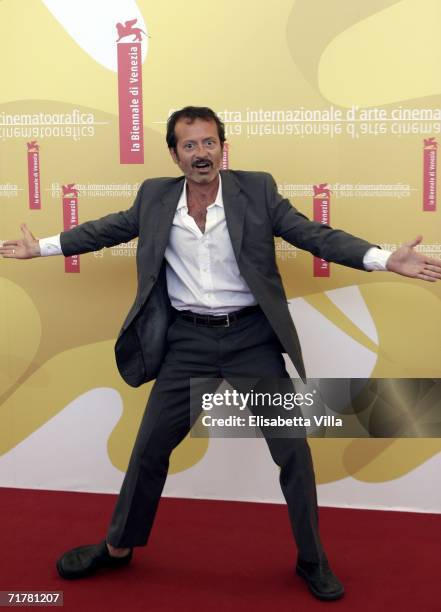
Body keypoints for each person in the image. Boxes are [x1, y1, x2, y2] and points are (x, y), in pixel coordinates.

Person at [1, 106, 440, 601]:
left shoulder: (257, 190)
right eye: (189, 145)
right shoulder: (155, 196)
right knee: (149, 450)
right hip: (187, 343)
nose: (200, 153)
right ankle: (119, 547)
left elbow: (314, 236)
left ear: (222, 147)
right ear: (175, 154)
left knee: (293, 452)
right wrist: (40, 248)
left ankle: (312, 559)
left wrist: (384, 259)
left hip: (251, 339)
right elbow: (107, 230)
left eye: (209, 143)